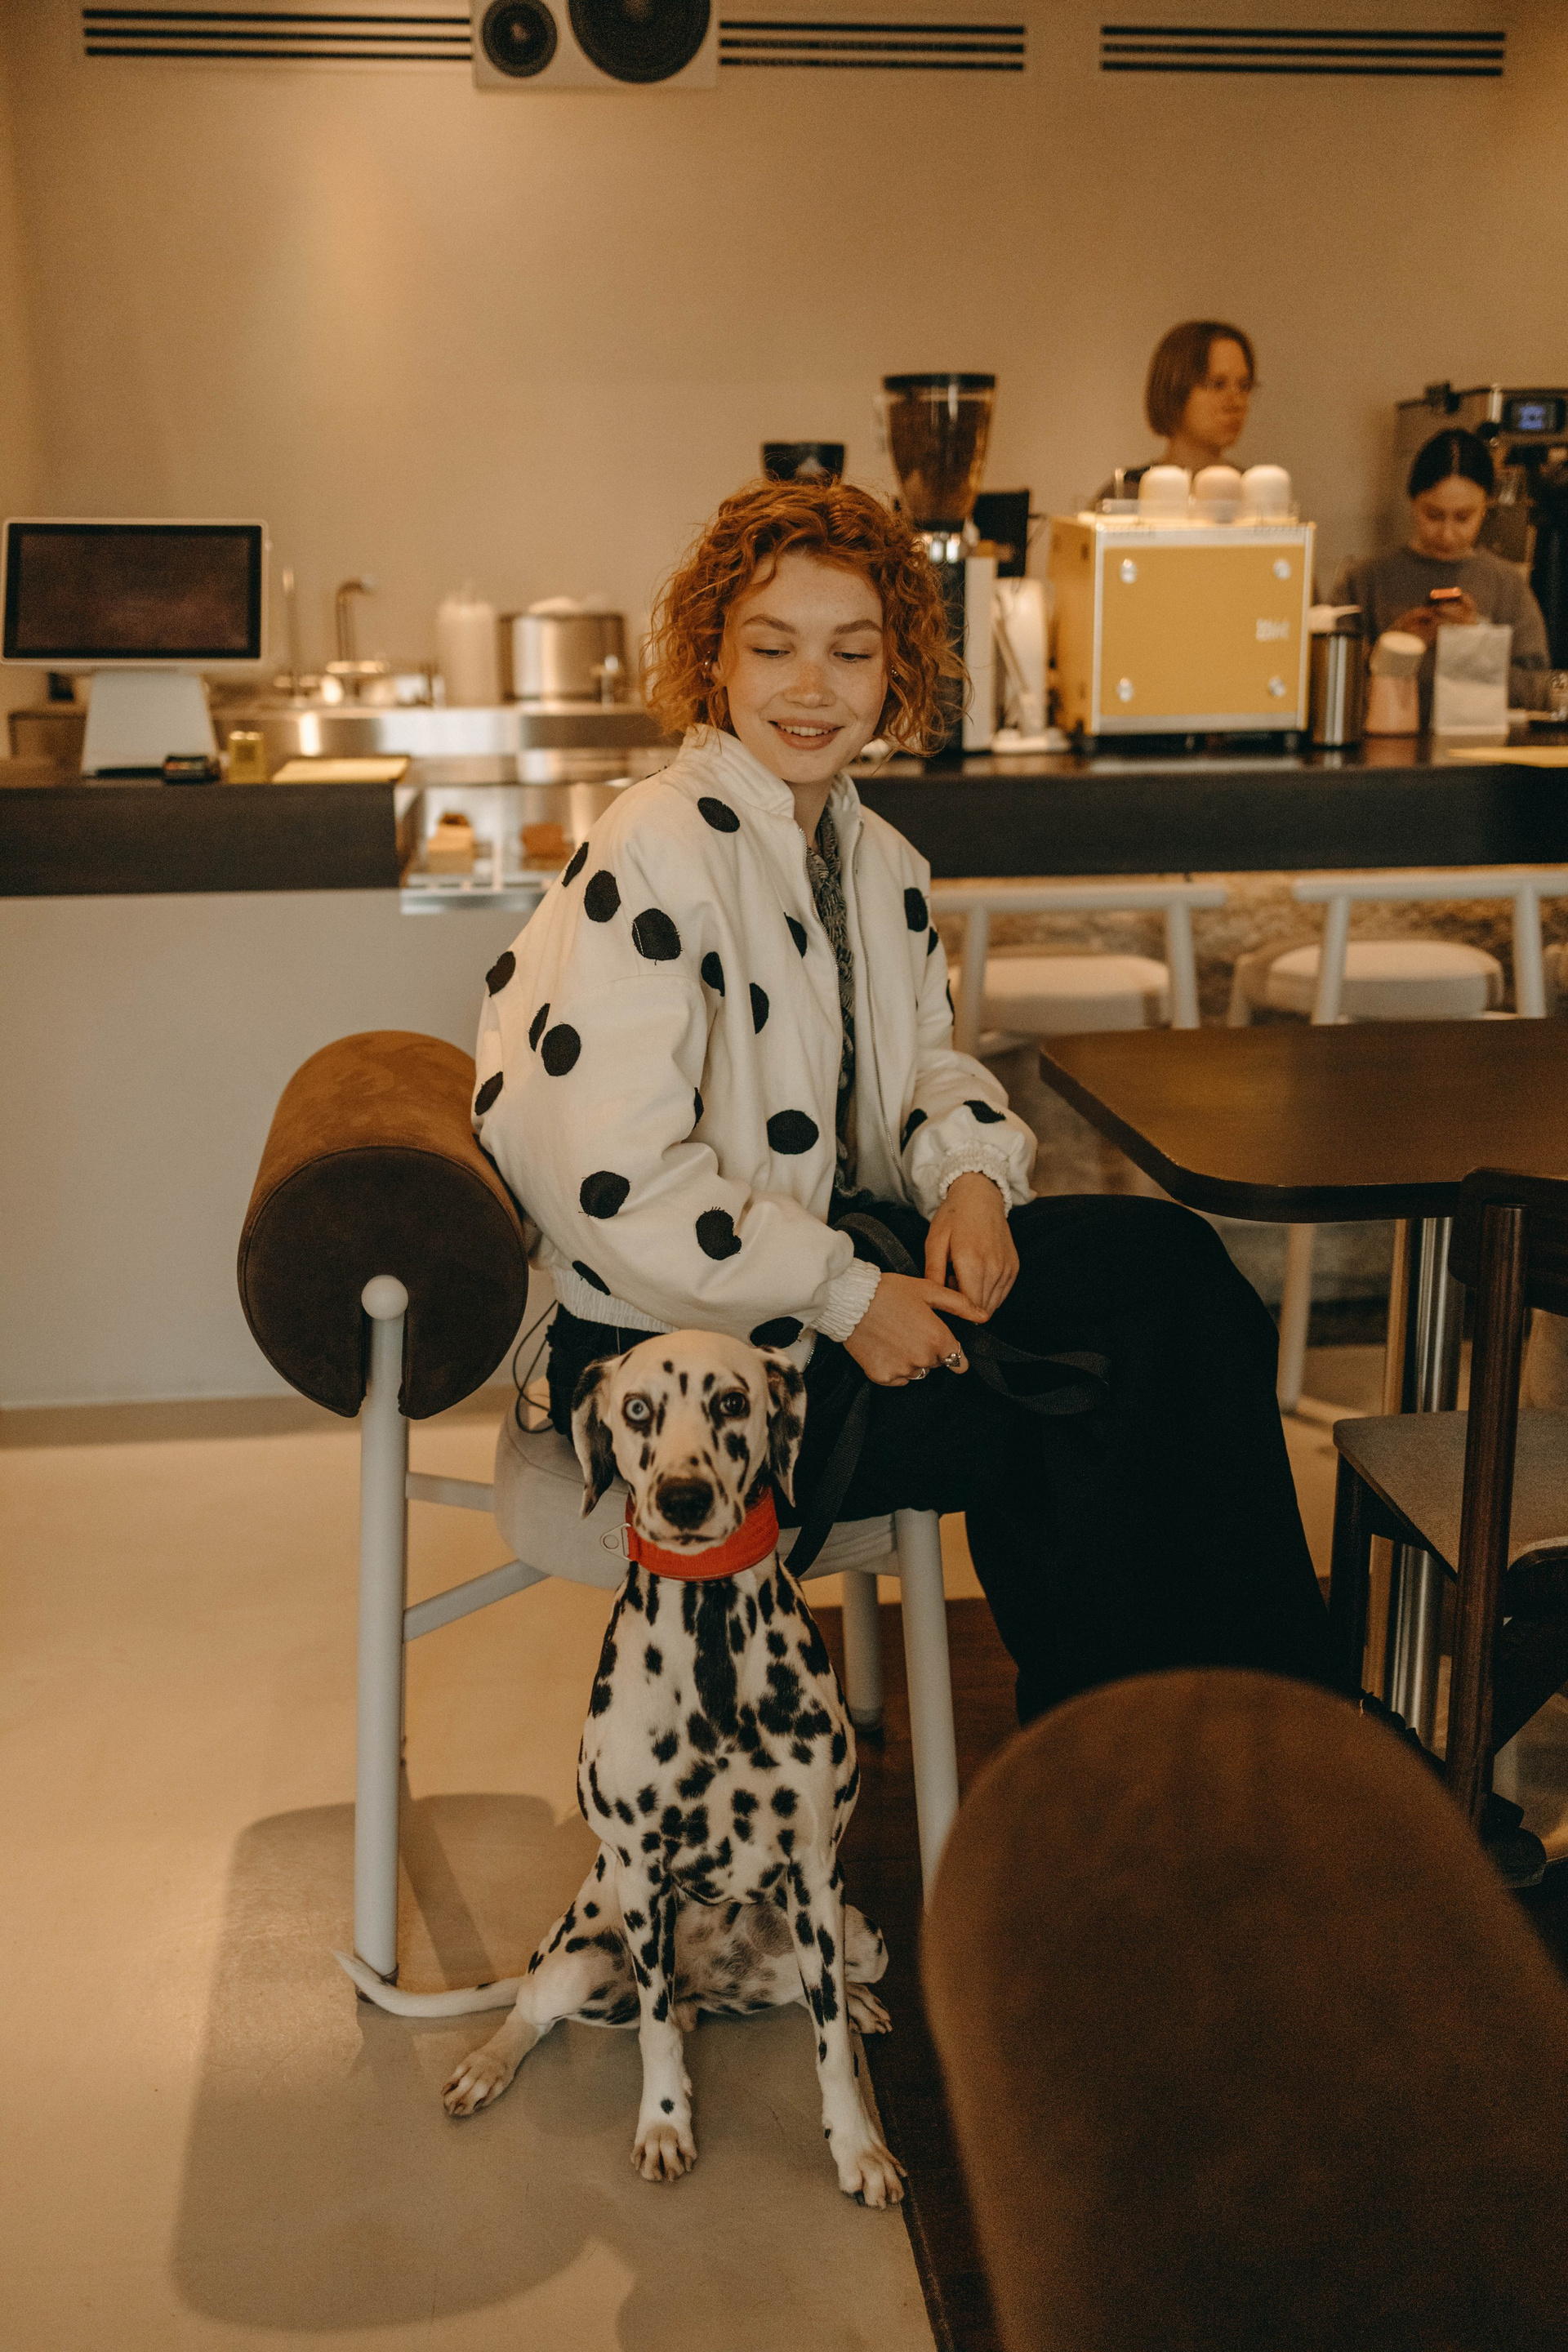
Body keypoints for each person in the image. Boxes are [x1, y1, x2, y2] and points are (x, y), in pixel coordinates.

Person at [474, 479, 1334, 1723]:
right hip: (692, 1361)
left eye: (852, 652)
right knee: (1105, 1392)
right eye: (773, 647)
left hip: (837, 1269)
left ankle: (1245, 1733)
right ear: (714, 660)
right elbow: (610, 1181)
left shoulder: (874, 857)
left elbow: (930, 1059)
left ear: (897, 672)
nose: (812, 687)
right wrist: (848, 1297)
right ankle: (1155, 1755)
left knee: (1176, 1273)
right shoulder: (653, 847)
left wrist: (972, 1180)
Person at [1334, 427, 1549, 715]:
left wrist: (1473, 645)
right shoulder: (1364, 581)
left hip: (1479, 740)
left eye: (1463, 517)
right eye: (1434, 515)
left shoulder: (1507, 585)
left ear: (1485, 507)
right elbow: (1331, 687)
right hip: (1386, 736)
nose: (1447, 534)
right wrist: (1394, 647)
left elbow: (1538, 690)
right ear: (1413, 502)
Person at [1106, 318, 1256, 497]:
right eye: (1217, 384)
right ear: (1175, 388)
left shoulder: (1253, 492)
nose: (1237, 402)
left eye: (1244, 386)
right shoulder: (1128, 493)